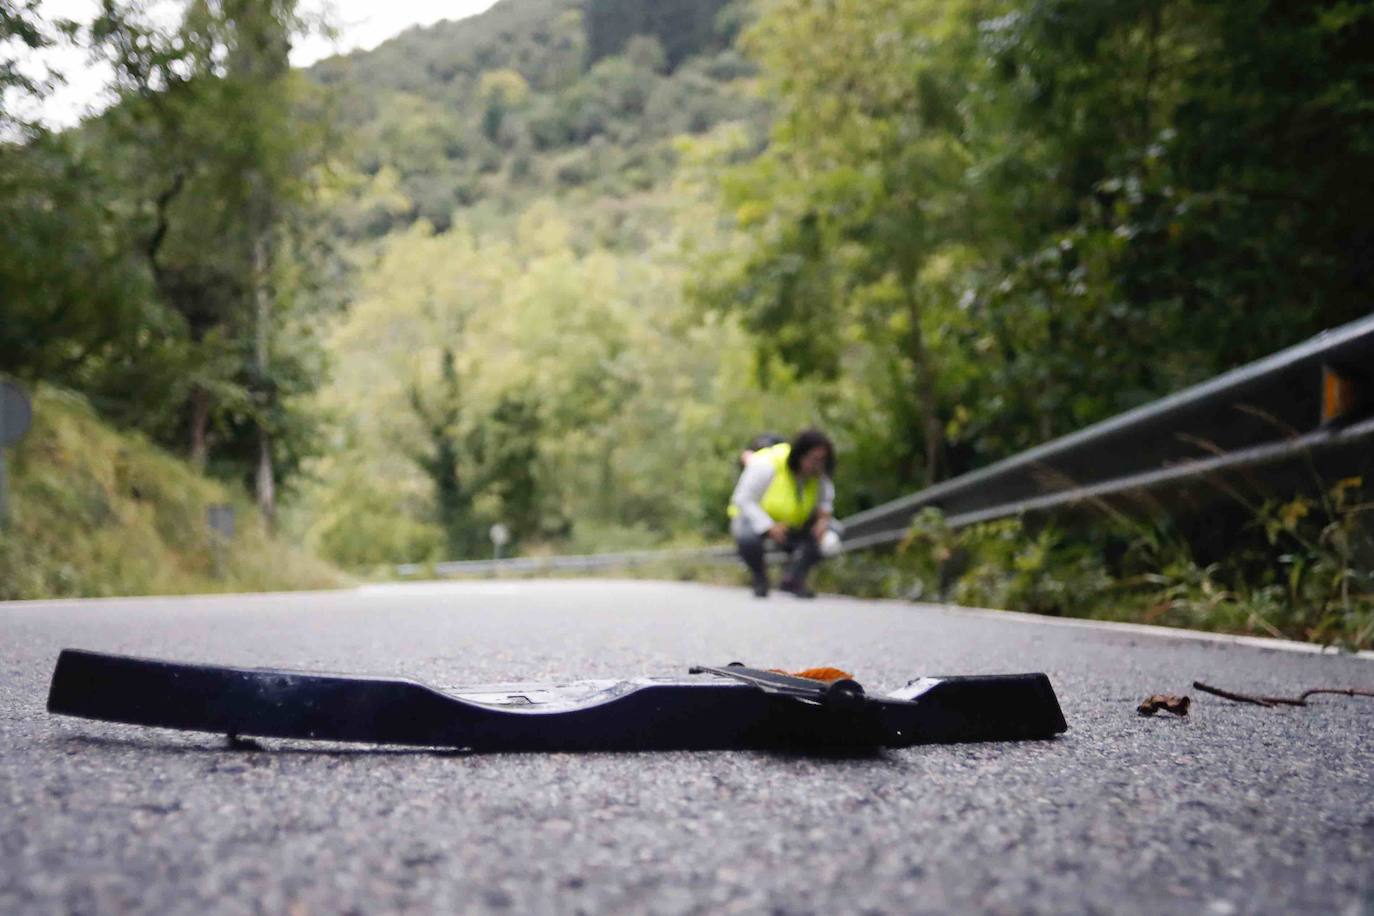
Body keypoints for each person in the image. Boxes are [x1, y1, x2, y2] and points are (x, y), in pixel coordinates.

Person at [728, 429, 837, 598]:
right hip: (759, 521)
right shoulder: (767, 464)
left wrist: (822, 520)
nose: (817, 465)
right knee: (746, 537)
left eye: (822, 461)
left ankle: (793, 579)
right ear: (800, 455)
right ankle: (760, 578)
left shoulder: (820, 474)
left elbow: (826, 502)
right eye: (814, 459)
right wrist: (768, 526)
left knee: (832, 534)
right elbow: (743, 499)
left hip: (792, 525)